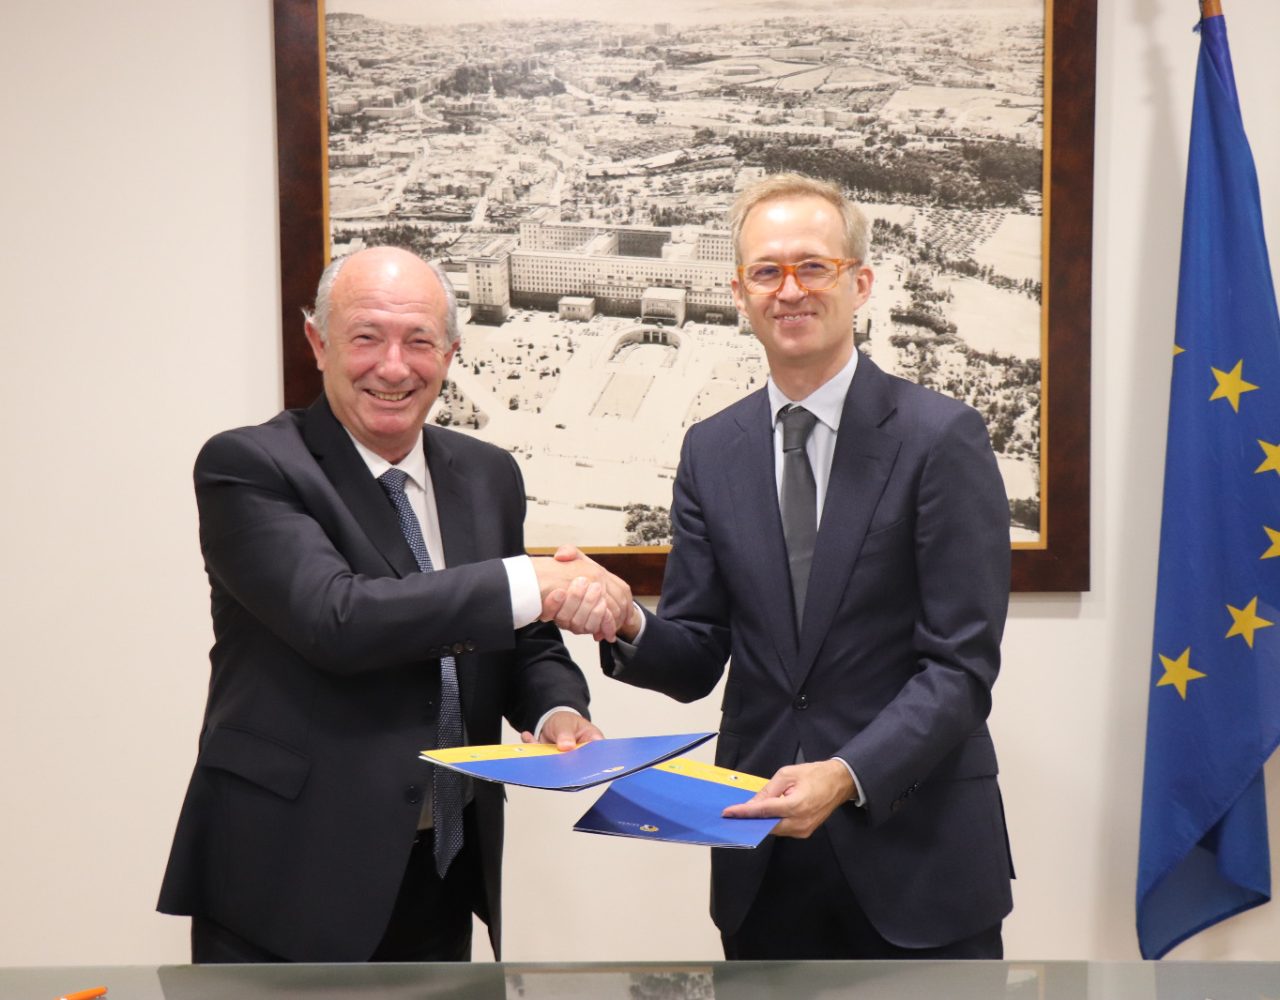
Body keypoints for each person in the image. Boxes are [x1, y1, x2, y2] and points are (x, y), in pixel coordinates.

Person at [580, 173, 1014, 959]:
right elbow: (697, 652)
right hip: (764, 860)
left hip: (918, 855)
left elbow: (960, 668)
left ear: (860, 283)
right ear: (739, 293)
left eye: (813, 266)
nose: (789, 290)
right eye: (766, 271)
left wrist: (846, 773)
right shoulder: (711, 450)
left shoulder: (941, 438)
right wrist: (627, 621)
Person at [157, 246, 631, 963]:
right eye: (366, 337)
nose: (393, 366)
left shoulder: (488, 474)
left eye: (418, 341)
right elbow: (338, 619)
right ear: (318, 342)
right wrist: (532, 581)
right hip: (287, 876)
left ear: (451, 352)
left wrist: (556, 711)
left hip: (442, 869)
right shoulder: (250, 466)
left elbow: (523, 639)